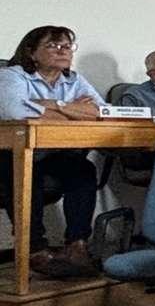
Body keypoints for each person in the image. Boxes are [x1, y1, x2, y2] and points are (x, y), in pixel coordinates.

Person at [0, 26, 104, 274]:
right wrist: (74, 111)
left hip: (50, 153)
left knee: (83, 170)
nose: (62, 51)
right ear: (31, 52)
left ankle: (77, 245)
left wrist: (54, 105)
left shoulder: (74, 80)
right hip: (10, 154)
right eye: (53, 45)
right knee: (24, 168)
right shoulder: (11, 76)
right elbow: (16, 113)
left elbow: (101, 113)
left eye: (67, 46)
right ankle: (34, 248)